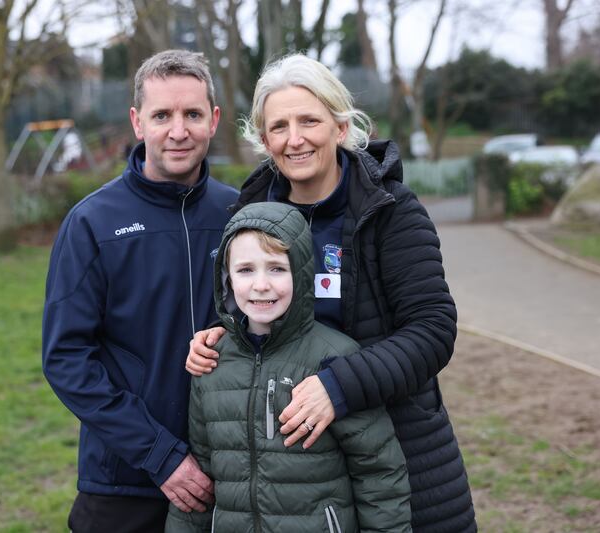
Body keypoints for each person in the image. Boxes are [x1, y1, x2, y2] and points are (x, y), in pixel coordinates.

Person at [186, 54, 476, 532]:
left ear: (341, 127)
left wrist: (336, 388)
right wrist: (218, 337)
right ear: (264, 139)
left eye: (309, 121)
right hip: (296, 479)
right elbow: (246, 308)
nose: (294, 139)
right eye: (278, 126)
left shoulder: (390, 211)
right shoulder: (253, 210)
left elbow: (432, 331)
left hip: (398, 454)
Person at [42, 50, 238, 533]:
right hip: (124, 479)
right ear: (137, 122)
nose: (178, 130)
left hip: (230, 472)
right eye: (162, 115)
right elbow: (67, 357)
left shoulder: (241, 213)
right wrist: (159, 455)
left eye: (192, 114)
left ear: (213, 120)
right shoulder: (91, 222)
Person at [166, 201, 411, 532]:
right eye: (245, 270)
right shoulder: (212, 361)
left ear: (302, 272)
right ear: (226, 279)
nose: (261, 284)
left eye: (277, 268)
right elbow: (203, 473)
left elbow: (379, 472)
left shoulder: (336, 358)